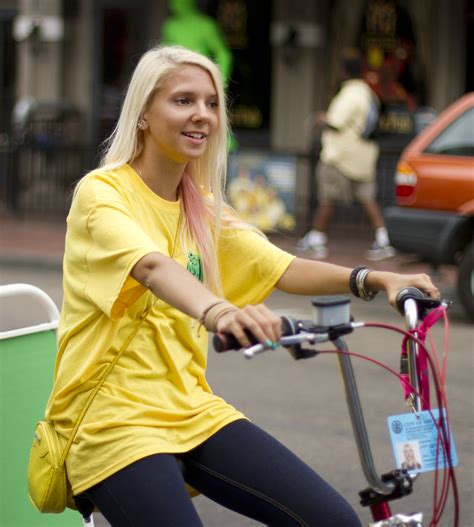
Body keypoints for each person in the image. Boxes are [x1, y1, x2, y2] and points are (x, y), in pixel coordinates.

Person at [45, 45, 440, 527]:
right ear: (144, 113)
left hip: (190, 409)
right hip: (111, 421)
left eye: (211, 103)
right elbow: (150, 267)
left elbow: (281, 266)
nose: (202, 115)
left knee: (332, 519)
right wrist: (221, 312)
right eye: (183, 101)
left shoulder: (202, 206)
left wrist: (375, 278)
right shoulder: (102, 193)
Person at [298, 51, 396, 261]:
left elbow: (337, 121)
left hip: (340, 156)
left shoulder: (350, 94)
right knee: (367, 199)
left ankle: (316, 240)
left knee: (327, 198)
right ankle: (383, 239)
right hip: (363, 156)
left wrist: (321, 118)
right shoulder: (369, 93)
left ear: (343, 72)